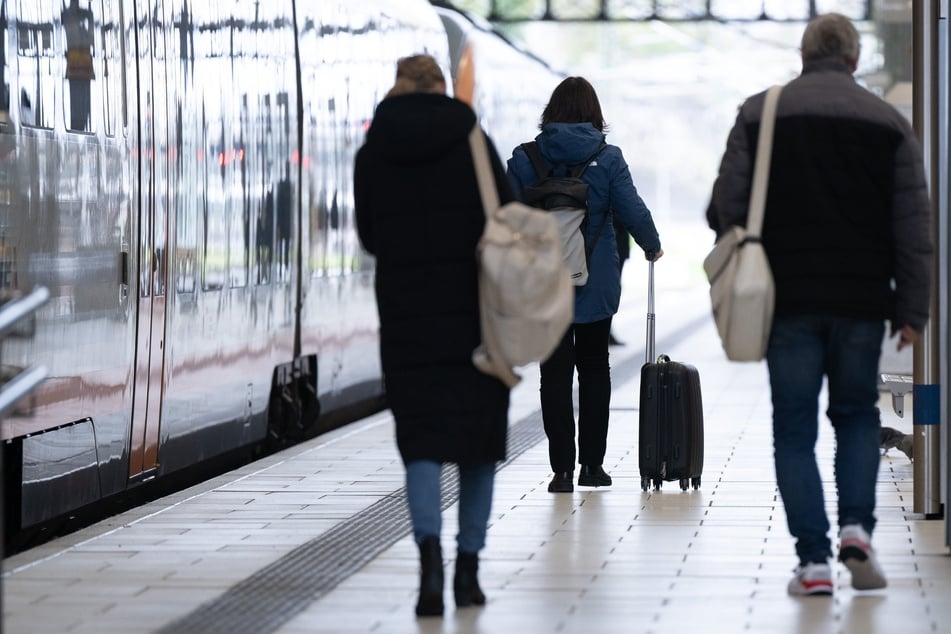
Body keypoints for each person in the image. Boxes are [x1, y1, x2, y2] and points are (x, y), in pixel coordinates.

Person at [706, 13, 931, 596]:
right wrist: (914, 308)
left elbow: (723, 207)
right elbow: (913, 225)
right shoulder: (886, 121)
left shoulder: (761, 112)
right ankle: (856, 530)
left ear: (804, 55)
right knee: (856, 417)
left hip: (786, 298)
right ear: (854, 60)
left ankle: (813, 565)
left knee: (794, 427)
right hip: (861, 300)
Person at [354, 54, 512, 617]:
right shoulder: (472, 137)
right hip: (475, 318)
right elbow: (508, 214)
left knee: (420, 443)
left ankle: (429, 569)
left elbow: (370, 236)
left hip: (405, 318)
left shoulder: (375, 147)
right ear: (444, 88)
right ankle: (468, 572)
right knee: (478, 444)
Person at [507, 77, 663, 494]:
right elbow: (632, 209)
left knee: (553, 374)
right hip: (594, 282)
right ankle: (591, 466)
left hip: (543, 285)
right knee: (594, 368)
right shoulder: (607, 157)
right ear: (595, 114)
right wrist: (652, 245)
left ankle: (560, 471)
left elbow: (504, 217)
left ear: (551, 112)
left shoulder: (525, 158)